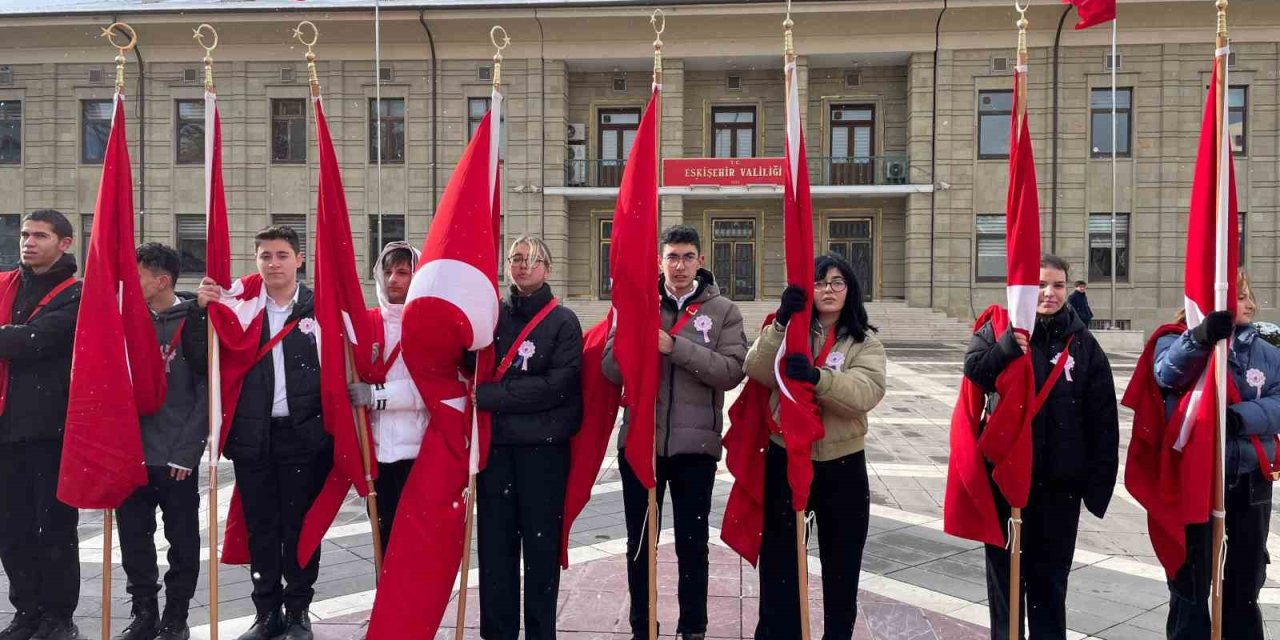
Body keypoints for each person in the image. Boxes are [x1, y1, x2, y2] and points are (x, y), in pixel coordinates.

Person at [602, 224, 747, 640]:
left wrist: (674, 347)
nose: (679, 266)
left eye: (687, 257)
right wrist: (635, 341)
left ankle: (693, 628)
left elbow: (731, 372)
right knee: (640, 544)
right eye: (672, 257)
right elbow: (610, 370)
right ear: (660, 261)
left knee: (691, 544)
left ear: (701, 261)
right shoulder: (638, 305)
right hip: (642, 445)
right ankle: (642, 626)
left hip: (694, 448)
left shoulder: (724, 312)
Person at [962, 254, 1118, 639]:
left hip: (1059, 489)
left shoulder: (1083, 343)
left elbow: (1103, 420)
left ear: (1068, 288)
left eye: (1058, 285)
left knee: (1050, 587)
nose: (1049, 293)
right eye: (1040, 285)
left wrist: (1095, 485)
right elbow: (975, 371)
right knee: (1006, 586)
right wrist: (1005, 348)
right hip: (1007, 484)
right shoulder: (1000, 328)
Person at [744, 253, 886, 640]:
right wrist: (781, 322)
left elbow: (865, 392)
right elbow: (755, 368)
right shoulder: (790, 331)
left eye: (837, 282)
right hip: (786, 456)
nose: (828, 290)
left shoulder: (864, 342)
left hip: (842, 464)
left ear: (849, 290)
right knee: (780, 558)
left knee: (842, 562)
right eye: (820, 283)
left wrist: (818, 379)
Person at [196, 226, 327, 640]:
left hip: (305, 437)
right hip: (254, 438)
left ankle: (299, 611)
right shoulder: (240, 306)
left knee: (300, 529)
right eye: (266, 255)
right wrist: (204, 313)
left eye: (282, 255)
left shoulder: (318, 307)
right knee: (262, 529)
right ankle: (266, 613)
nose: (273, 263)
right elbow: (205, 363)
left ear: (299, 260)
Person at [1155, 271, 1278, 640]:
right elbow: (1166, 375)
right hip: (1196, 481)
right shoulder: (1176, 340)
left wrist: (1239, 418)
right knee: (1190, 587)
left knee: (1243, 585)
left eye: (1250, 296)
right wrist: (1200, 339)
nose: (1250, 304)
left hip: (1248, 480)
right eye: (1240, 296)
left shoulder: (1267, 353)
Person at [472, 236, 583, 640]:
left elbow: (556, 386)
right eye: (515, 259)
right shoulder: (490, 317)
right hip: (497, 453)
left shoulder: (564, 322)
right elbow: (471, 364)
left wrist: (490, 398)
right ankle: (497, 633)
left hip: (544, 456)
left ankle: (541, 633)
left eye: (532, 260)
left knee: (540, 553)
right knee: (496, 552)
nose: (522, 266)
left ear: (547, 269)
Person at [114, 244, 208, 640]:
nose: (128, 287)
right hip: (132, 455)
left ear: (162, 280)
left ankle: (176, 616)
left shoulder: (197, 322)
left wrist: (188, 451)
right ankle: (143, 613)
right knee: (134, 542)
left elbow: (208, 392)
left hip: (176, 457)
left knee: (182, 543)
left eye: (136, 278)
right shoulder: (124, 322)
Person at [0, 210, 82, 640]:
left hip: (52, 431)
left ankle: (58, 615)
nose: (28, 242)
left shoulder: (76, 293)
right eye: (25, 234)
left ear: (64, 243)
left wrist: (12, 337)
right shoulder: (6, 285)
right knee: (10, 529)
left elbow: (38, 340)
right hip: (4, 429)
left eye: (41, 235)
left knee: (53, 527)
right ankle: (26, 611)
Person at [347, 241, 426, 552]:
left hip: (418, 453)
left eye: (403, 272)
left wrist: (376, 395)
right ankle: (386, 599)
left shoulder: (427, 325)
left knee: (413, 542)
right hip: (376, 452)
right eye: (388, 271)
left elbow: (429, 389)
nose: (394, 279)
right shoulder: (366, 323)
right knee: (383, 539)